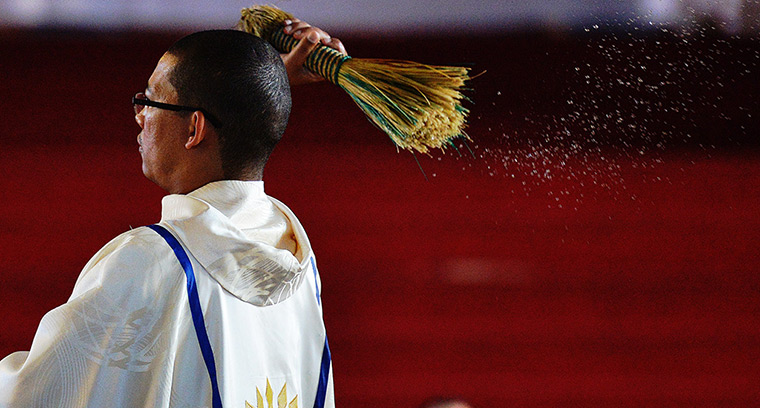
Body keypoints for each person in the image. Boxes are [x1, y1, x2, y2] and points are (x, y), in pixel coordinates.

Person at [0, 19, 344, 408]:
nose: (139, 115)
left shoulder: (149, 262)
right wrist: (256, 84)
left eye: (150, 100)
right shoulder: (299, 264)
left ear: (194, 129)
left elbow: (33, 396)